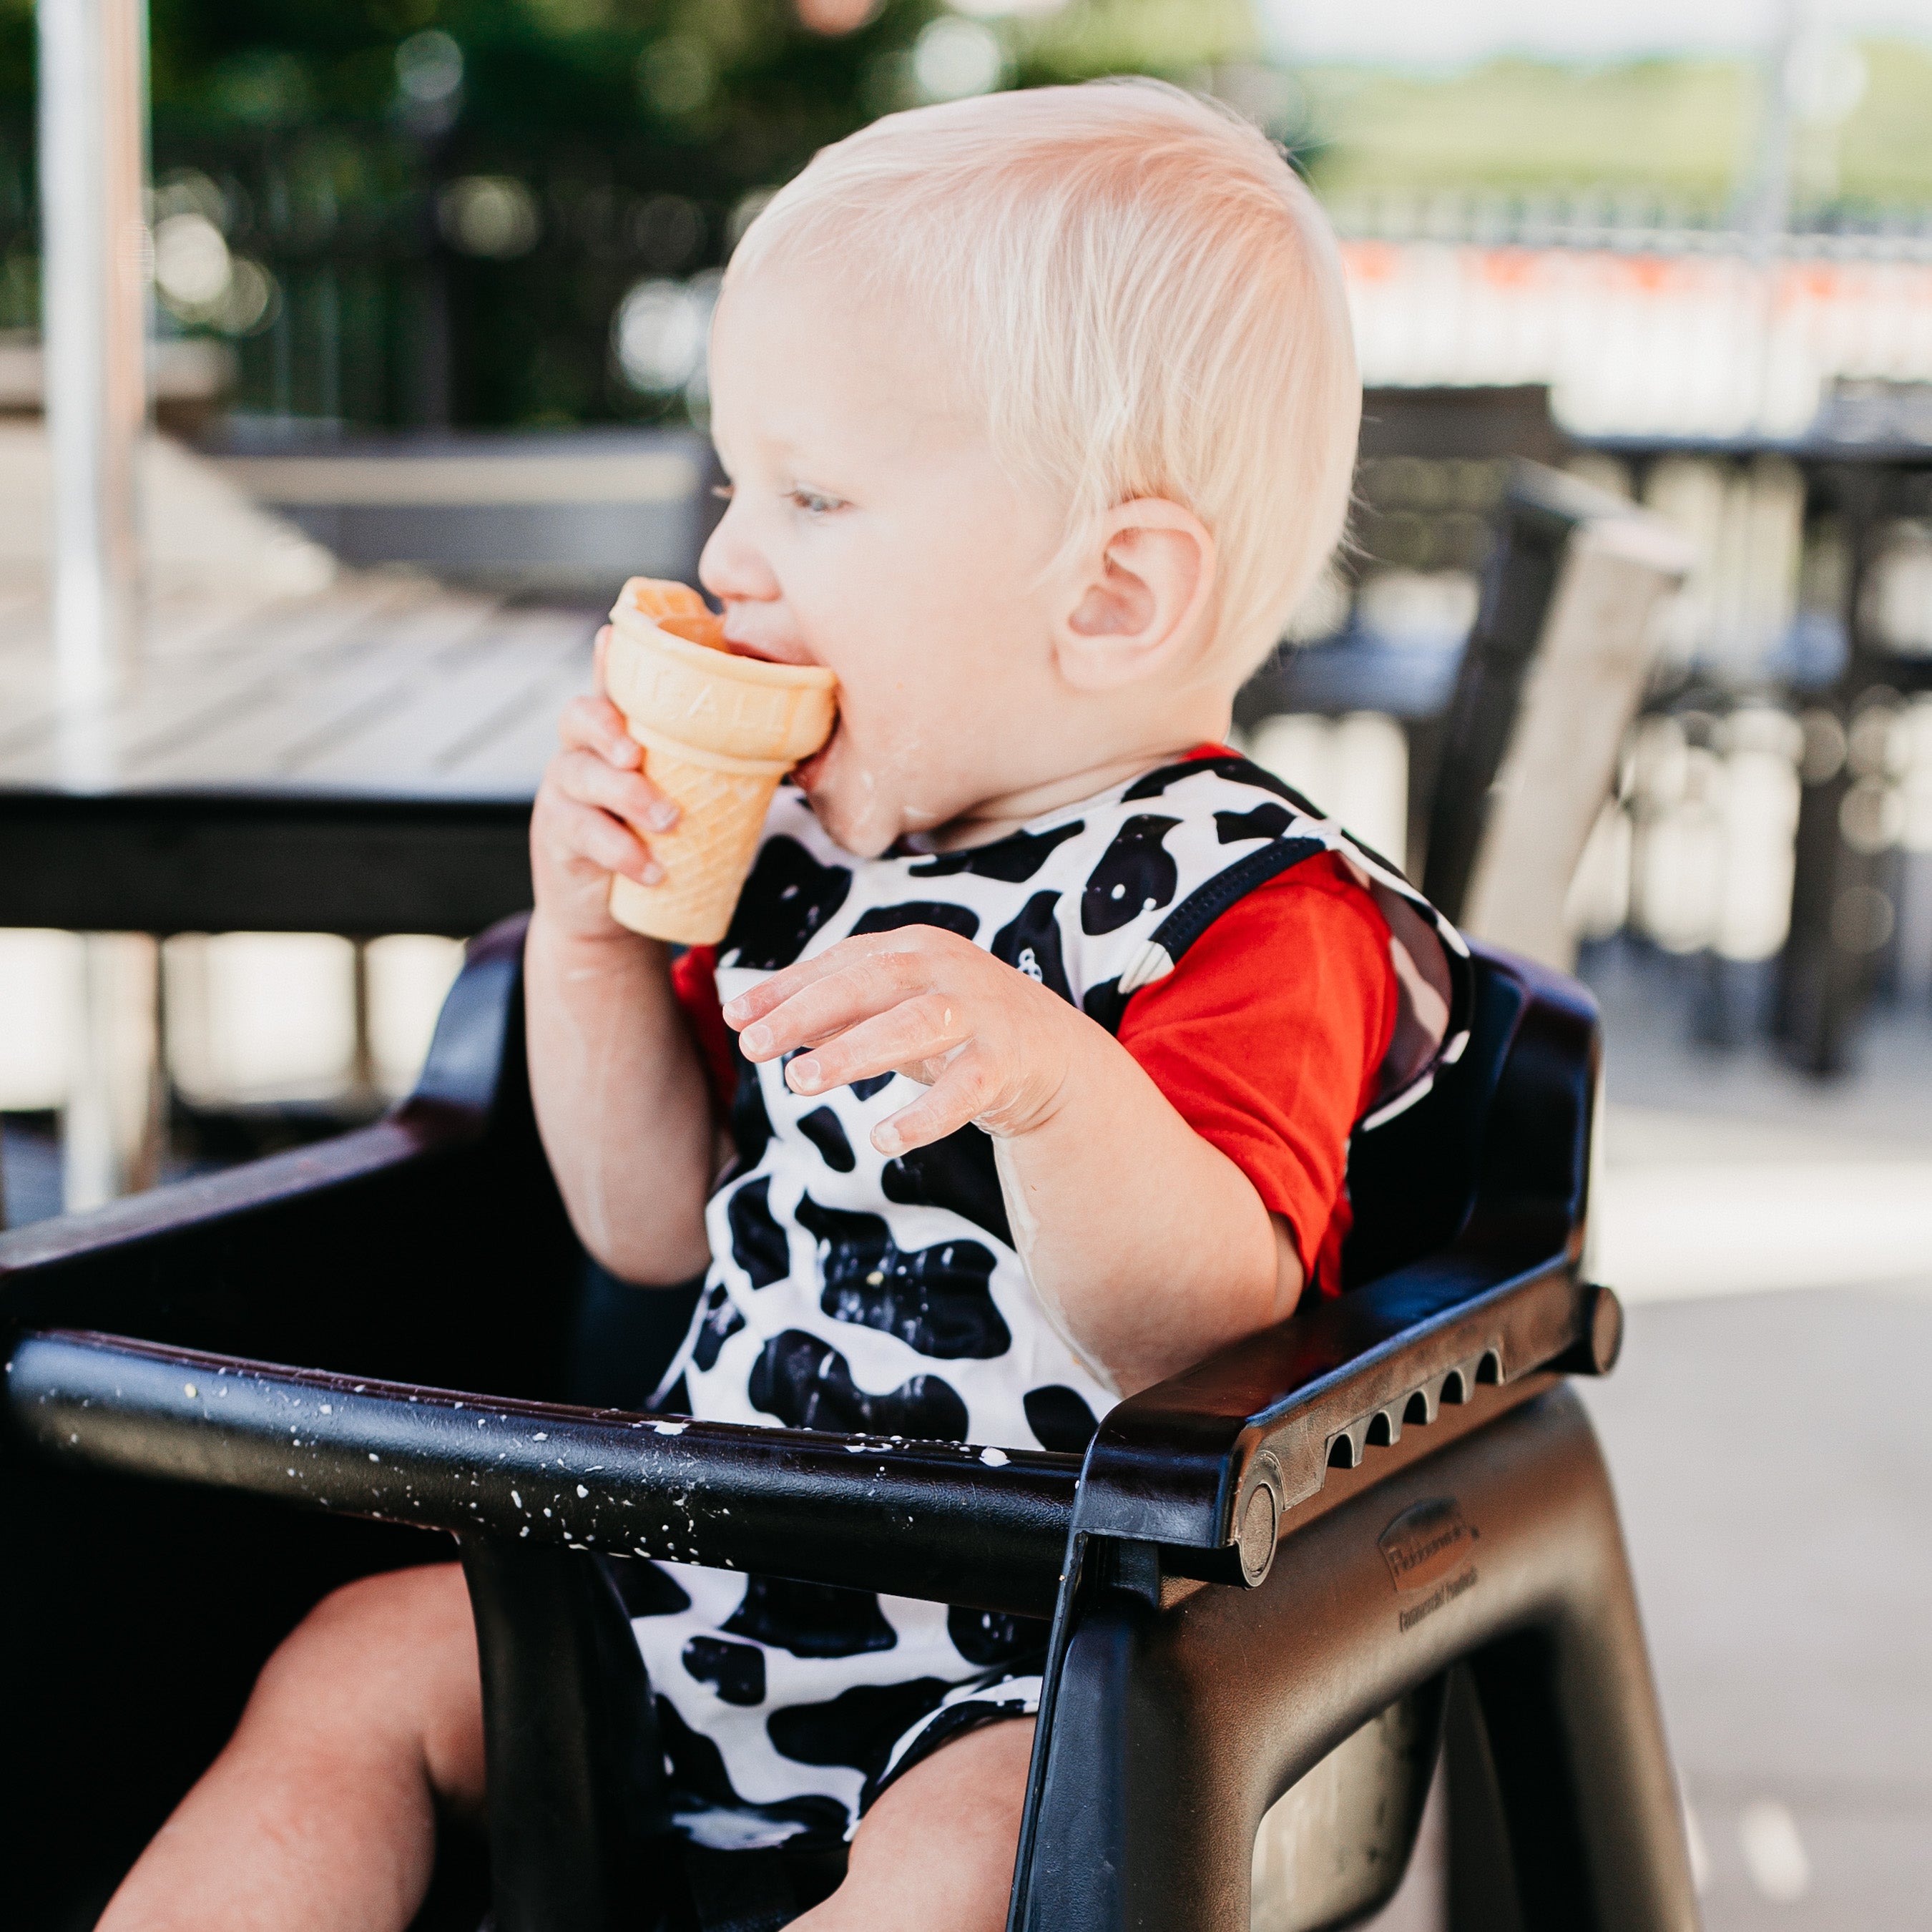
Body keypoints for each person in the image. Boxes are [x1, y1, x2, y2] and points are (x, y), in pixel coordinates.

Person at [99, 77, 1466, 1932]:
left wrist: (1055, 1093)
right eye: (739, 476)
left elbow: (1216, 1342)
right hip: (705, 1579)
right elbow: (648, 1226)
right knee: (364, 1662)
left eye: (812, 496)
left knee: (970, 1857)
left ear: (1116, 595)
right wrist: (582, 942)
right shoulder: (805, 853)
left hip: (1040, 1655)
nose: (729, 556)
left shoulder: (1247, 904)